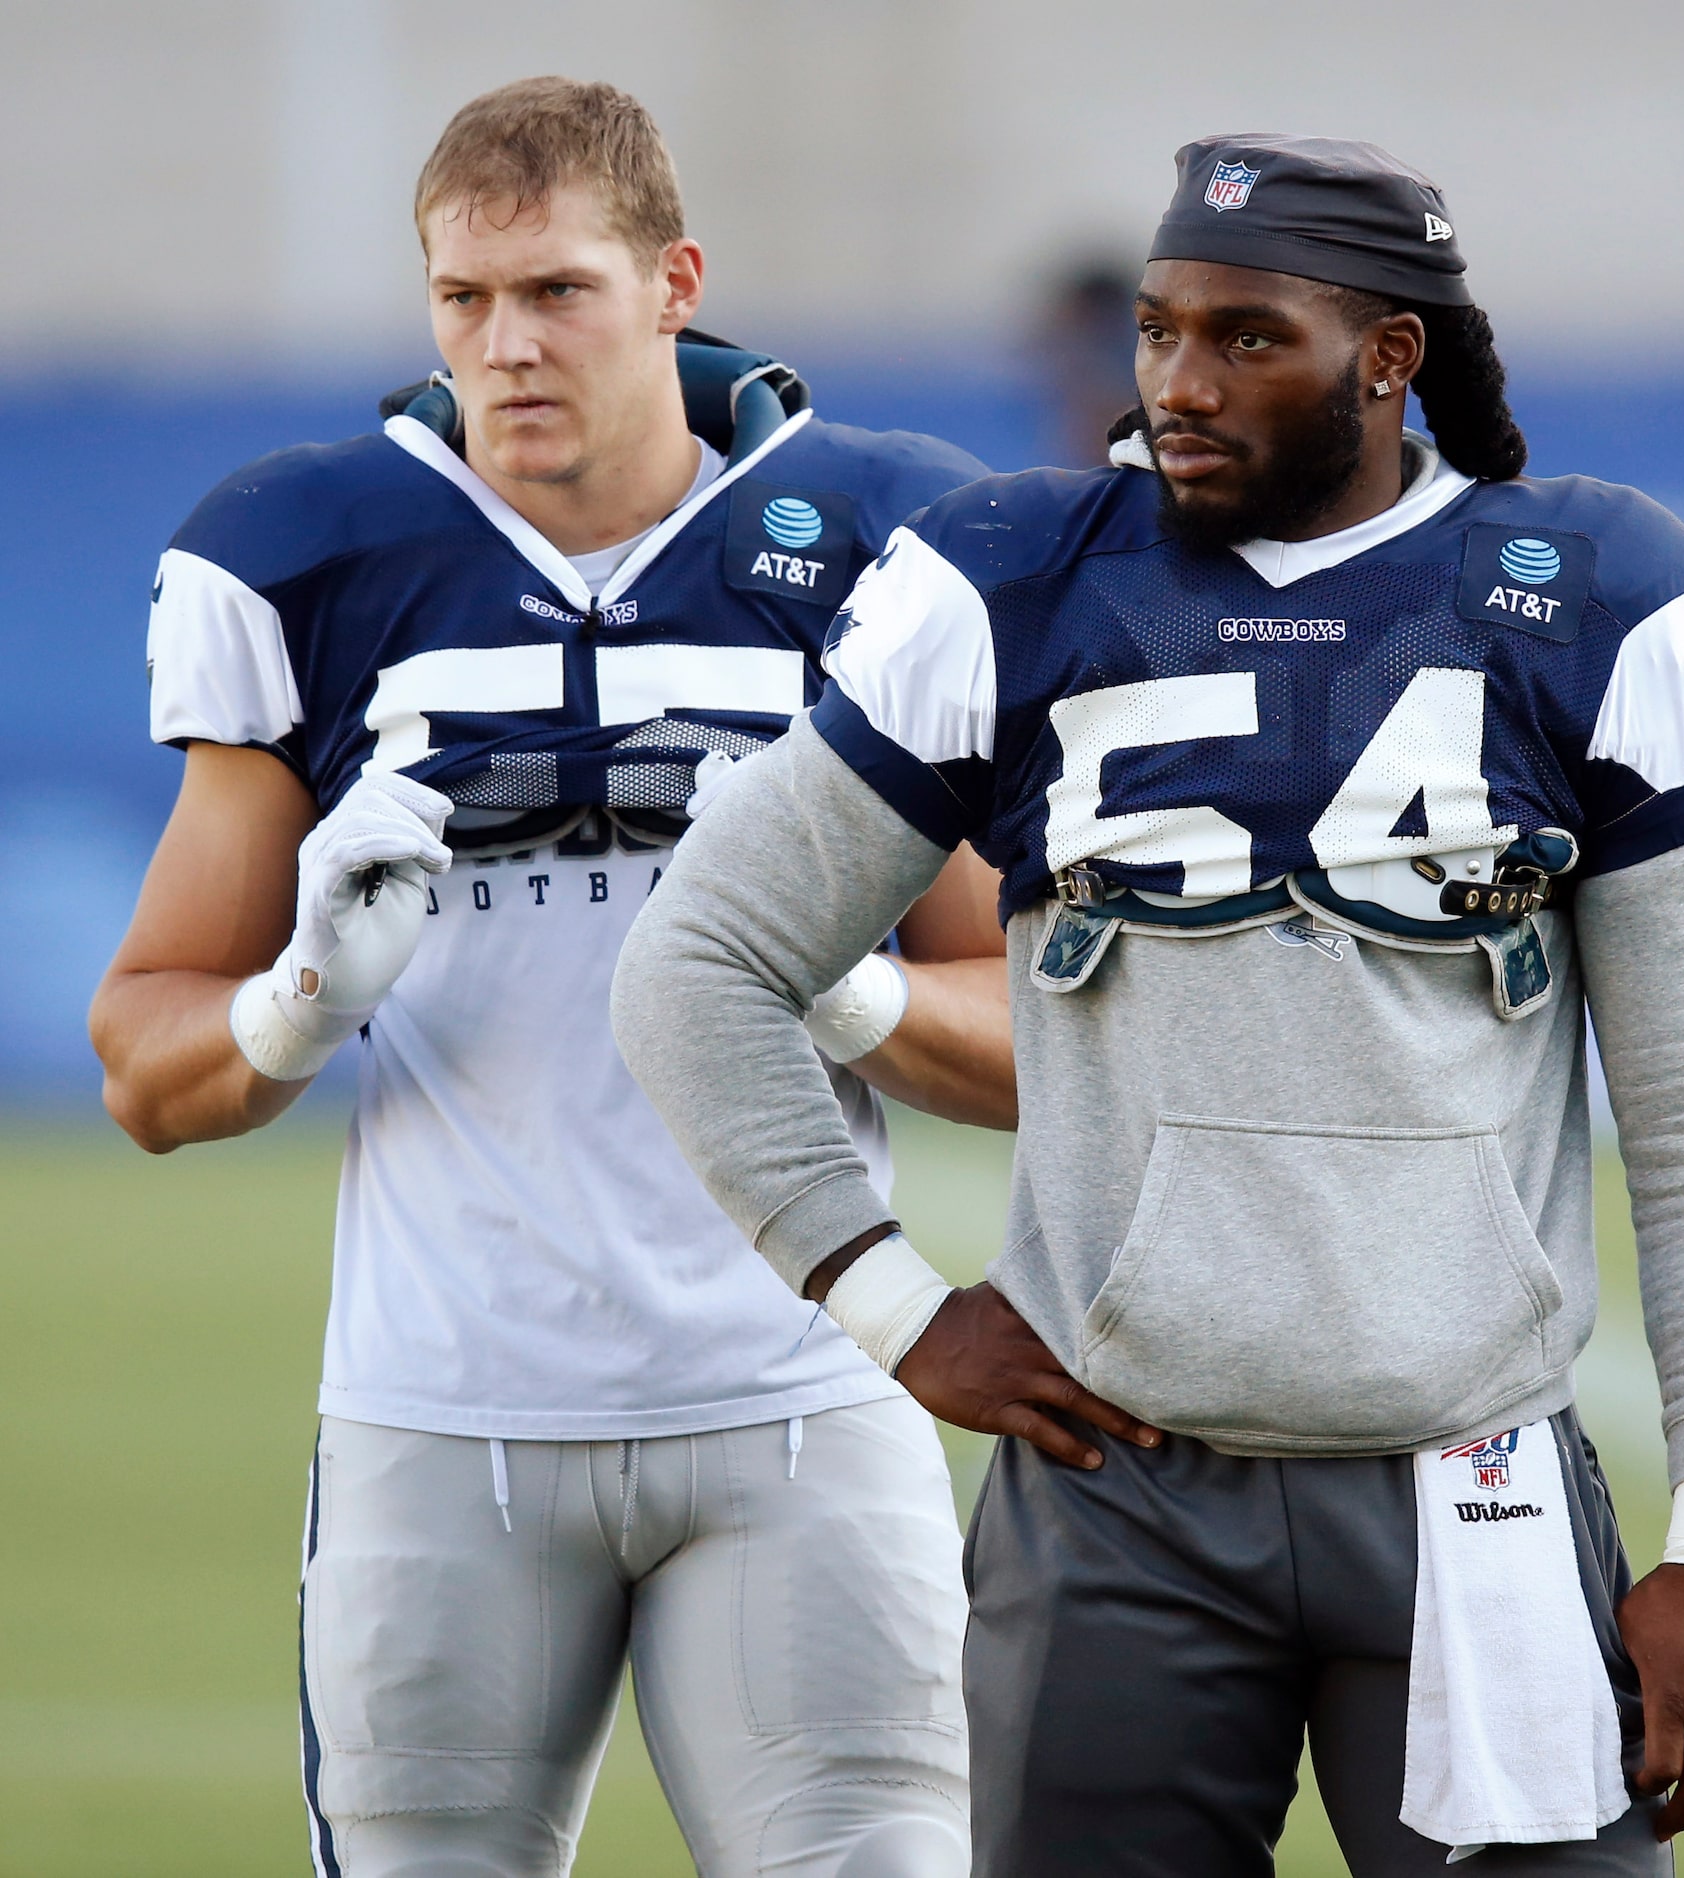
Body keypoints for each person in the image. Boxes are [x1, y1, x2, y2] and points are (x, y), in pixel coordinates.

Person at [614, 134, 1684, 1876]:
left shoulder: (1594, 599)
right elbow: (697, 960)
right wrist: (886, 1301)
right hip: (1121, 1503)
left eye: (1246, 337)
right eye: (1162, 330)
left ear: (1389, 358)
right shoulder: (1019, 580)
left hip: (1473, 1478)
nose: (1177, 380)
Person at [90, 77, 1005, 1878]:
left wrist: (844, 991)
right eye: (463, 301)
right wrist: (295, 1002)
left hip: (808, 1392)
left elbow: (1042, 1026)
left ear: (675, 281)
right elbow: (143, 1060)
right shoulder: (309, 551)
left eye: (558, 292)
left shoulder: (891, 549)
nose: (504, 347)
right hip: (447, 1413)